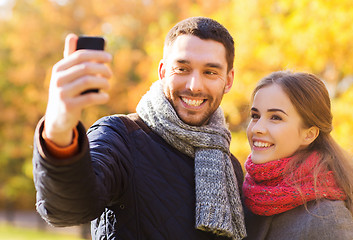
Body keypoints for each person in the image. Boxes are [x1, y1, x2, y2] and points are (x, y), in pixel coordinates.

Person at [32, 17, 247, 240]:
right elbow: (68, 208)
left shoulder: (229, 164)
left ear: (228, 80)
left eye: (210, 72)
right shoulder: (119, 136)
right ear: (163, 72)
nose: (194, 85)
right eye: (182, 69)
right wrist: (58, 131)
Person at [242, 71, 353, 239]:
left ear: (309, 134)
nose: (256, 128)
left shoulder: (327, 216)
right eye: (255, 116)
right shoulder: (248, 195)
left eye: (275, 117)